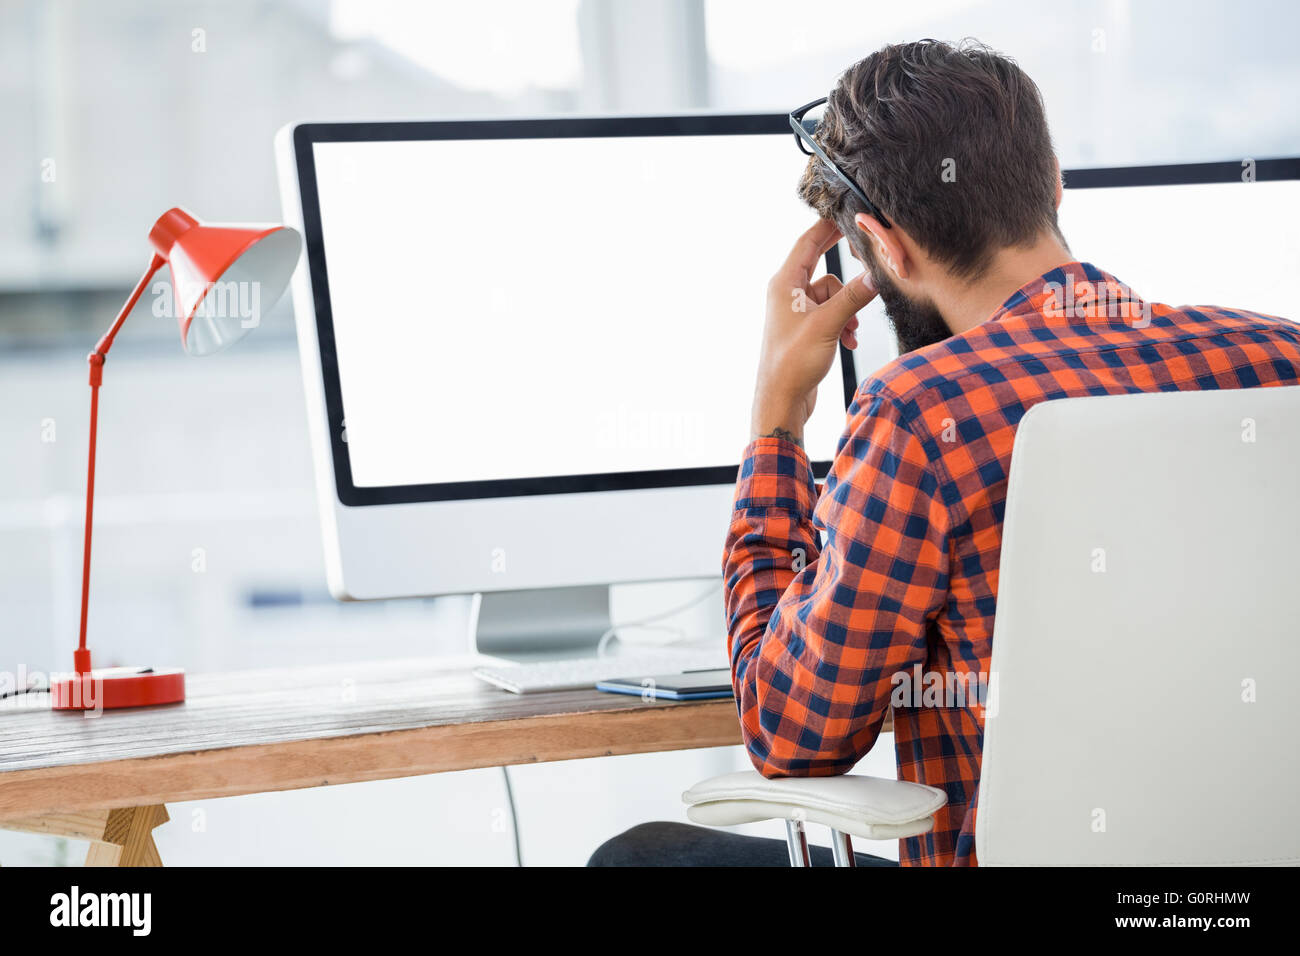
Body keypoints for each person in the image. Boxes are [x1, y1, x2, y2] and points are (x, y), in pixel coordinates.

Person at [590, 38, 1300, 867]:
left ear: (886, 250)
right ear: (1055, 184)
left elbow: (790, 732)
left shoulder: (923, 414)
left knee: (643, 857)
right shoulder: (1280, 361)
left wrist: (775, 420)